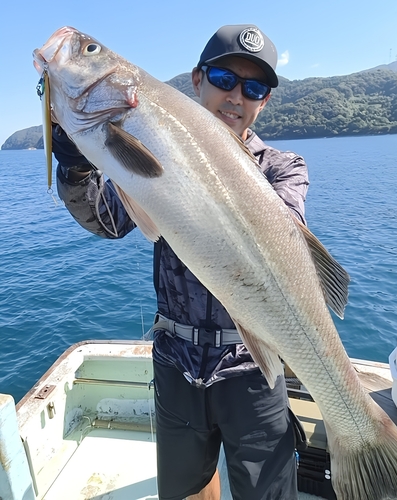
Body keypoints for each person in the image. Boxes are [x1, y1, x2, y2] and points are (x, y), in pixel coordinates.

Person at [52, 24, 309, 500]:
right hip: (176, 360)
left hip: (254, 368)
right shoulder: (155, 142)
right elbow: (107, 219)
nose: (236, 96)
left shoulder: (282, 167)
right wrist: (75, 156)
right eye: (224, 79)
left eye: (254, 88)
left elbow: (289, 242)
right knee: (186, 491)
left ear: (264, 101)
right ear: (197, 81)